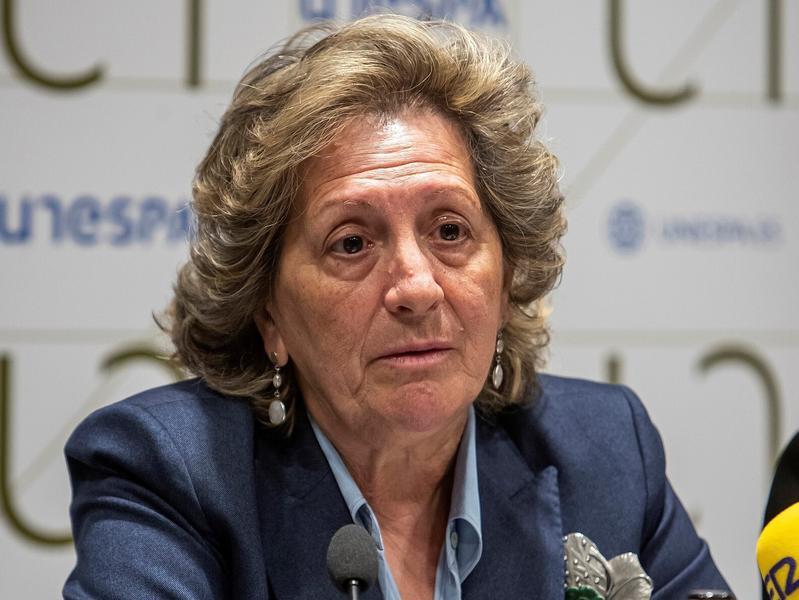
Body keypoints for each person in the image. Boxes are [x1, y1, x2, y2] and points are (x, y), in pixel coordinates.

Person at [63, 15, 732, 599]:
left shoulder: (607, 453)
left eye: (450, 231)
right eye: (351, 243)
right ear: (267, 313)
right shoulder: (172, 473)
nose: (416, 287)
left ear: (507, 277)